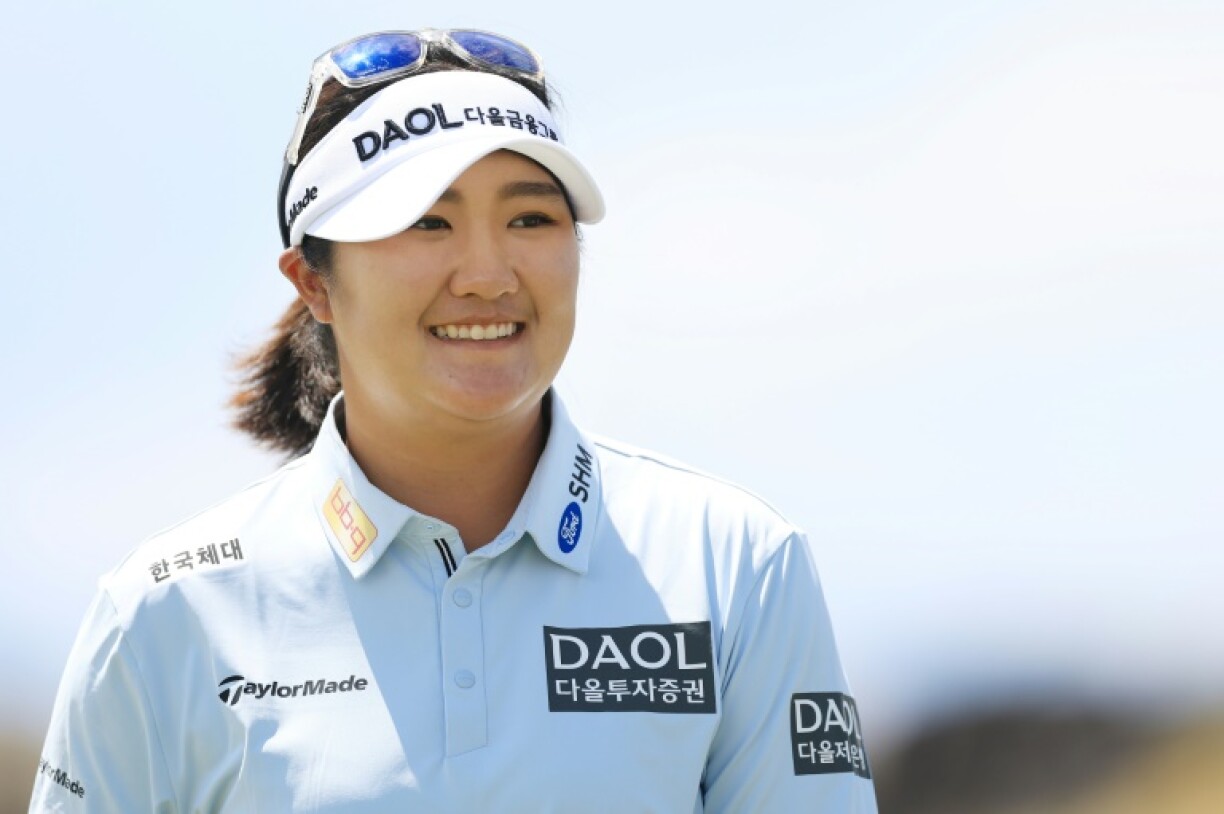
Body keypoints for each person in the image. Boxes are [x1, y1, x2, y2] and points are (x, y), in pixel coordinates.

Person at [31, 28, 879, 812]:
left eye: (530, 218)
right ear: (314, 283)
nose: (486, 273)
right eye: (425, 221)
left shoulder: (733, 562)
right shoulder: (166, 608)